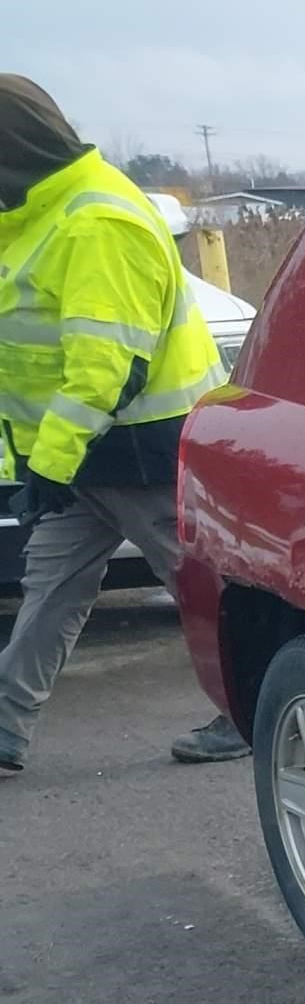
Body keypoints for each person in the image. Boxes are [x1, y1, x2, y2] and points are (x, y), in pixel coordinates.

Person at [0, 75, 243, 779]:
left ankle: (248, 711)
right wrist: (45, 459)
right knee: (51, 588)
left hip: (139, 446)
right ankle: (6, 728)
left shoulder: (96, 221)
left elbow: (107, 367)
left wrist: (47, 462)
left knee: (200, 586)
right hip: (83, 451)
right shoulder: (39, 213)